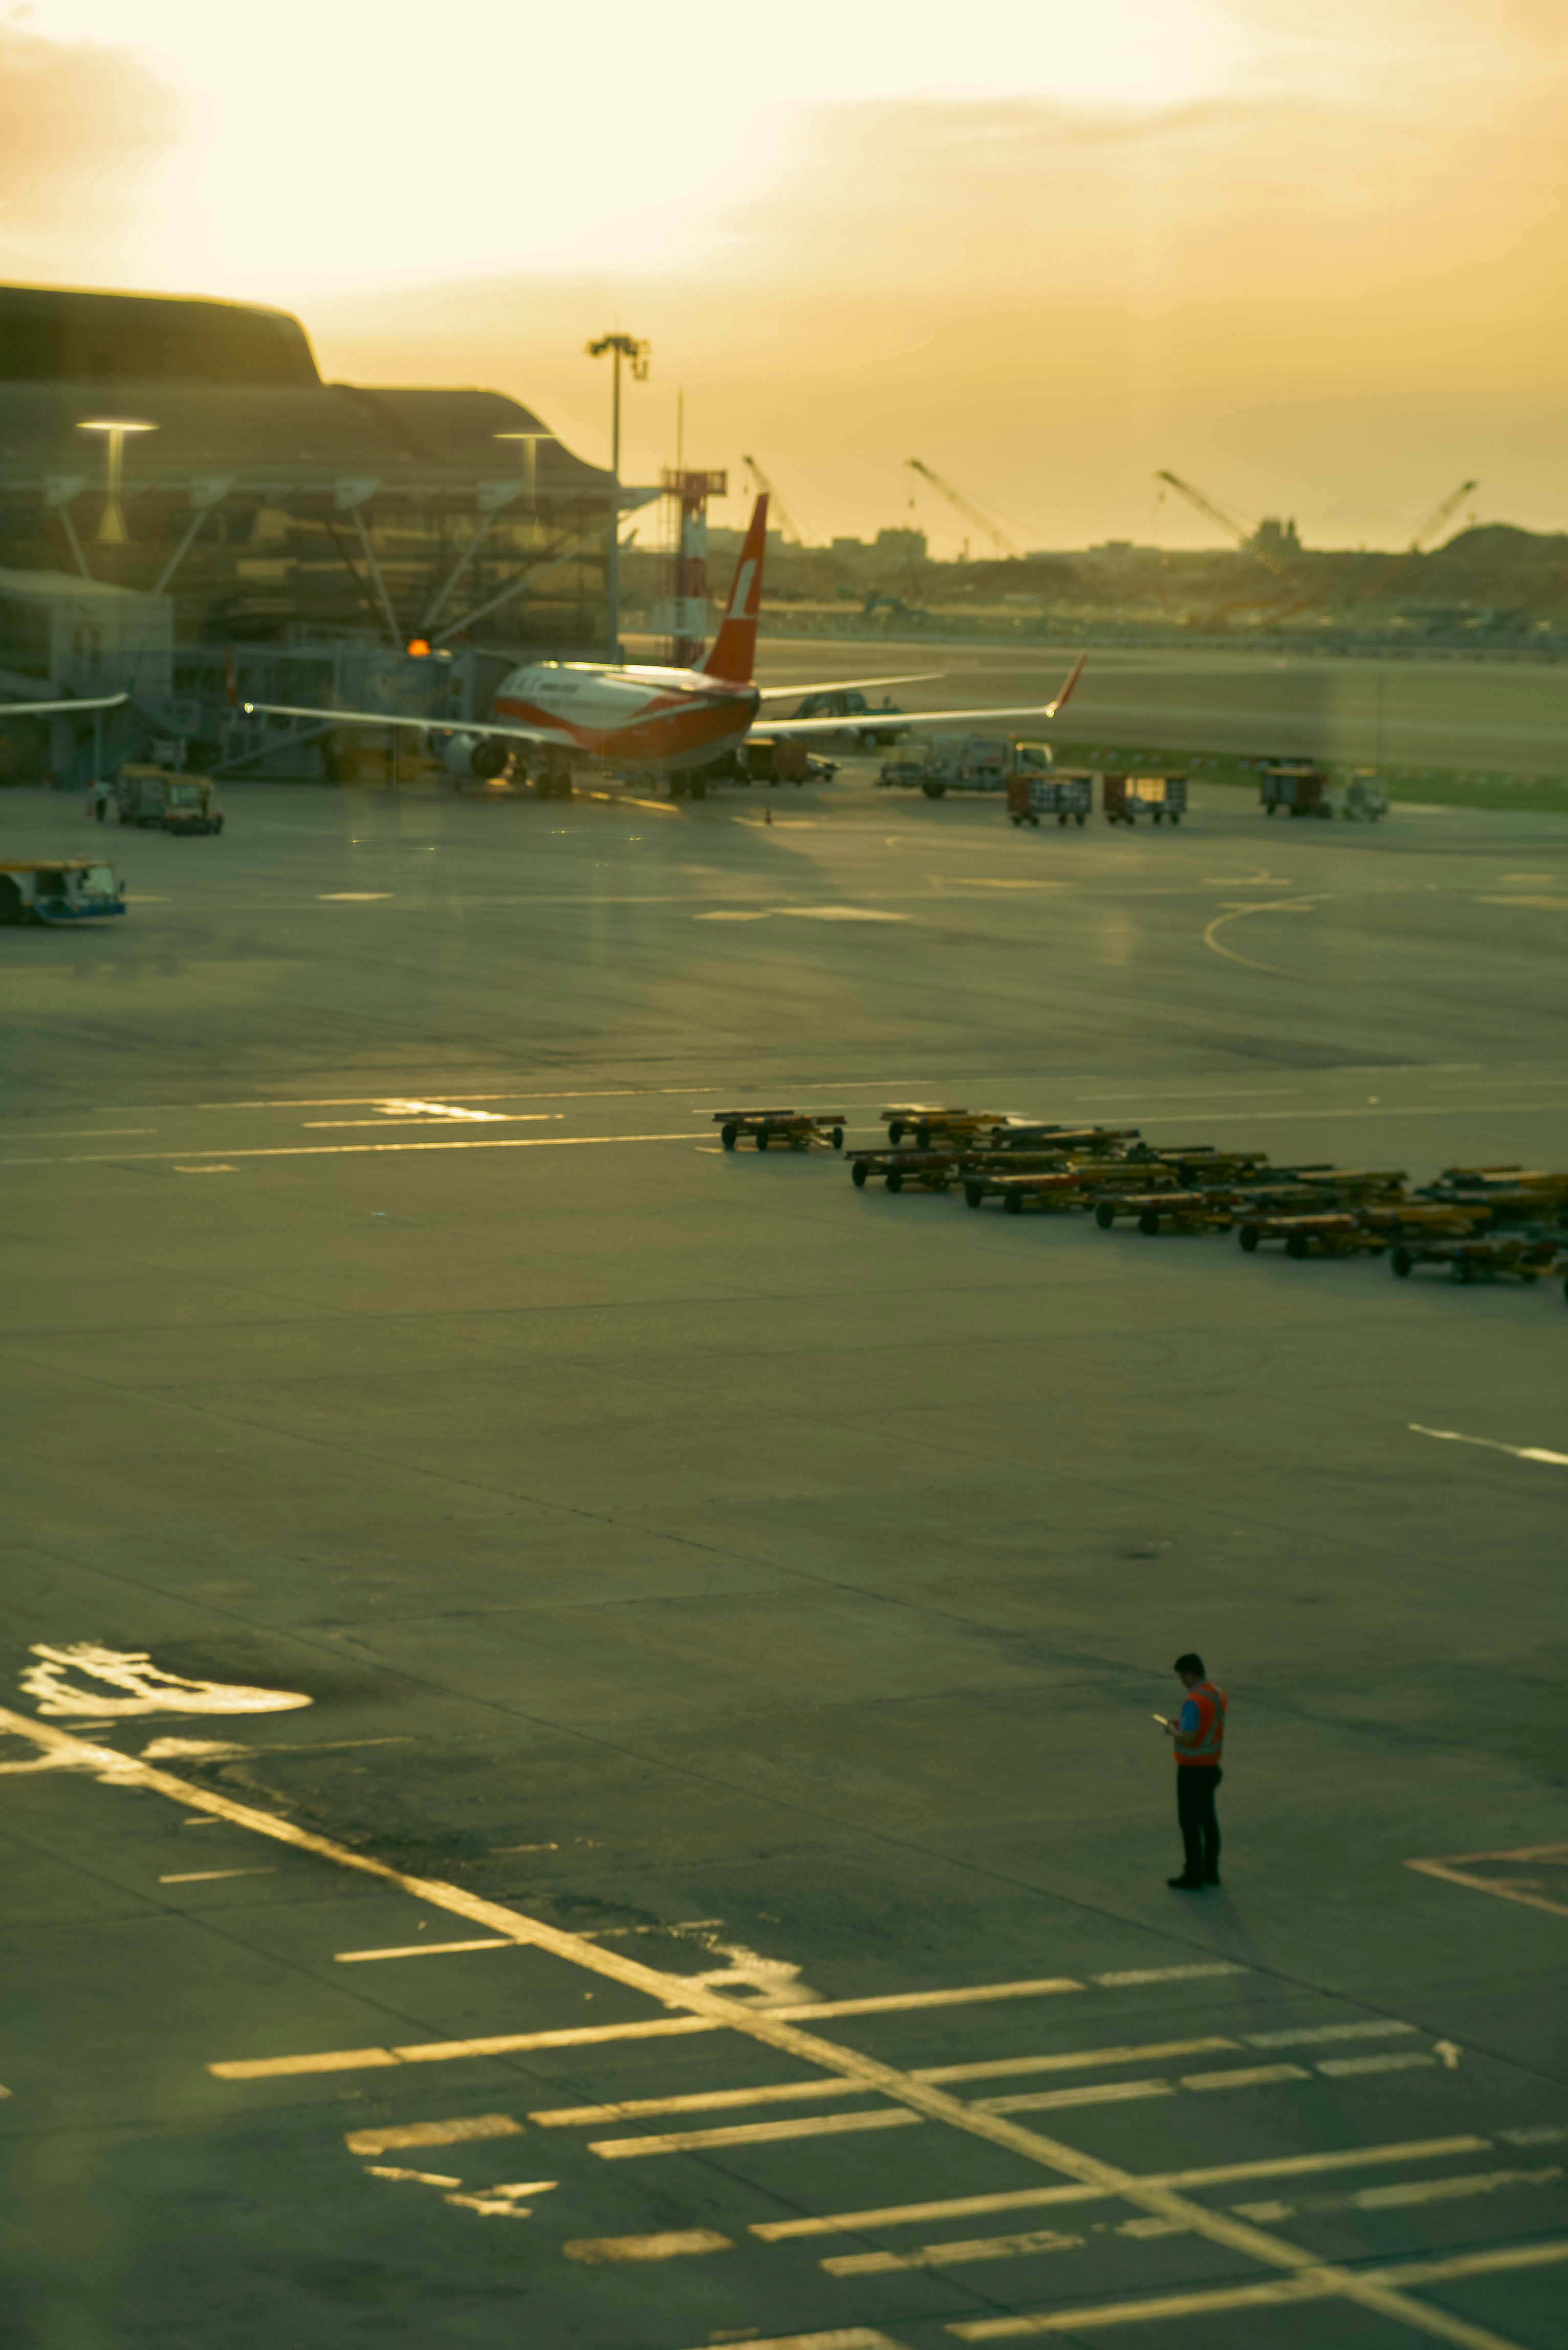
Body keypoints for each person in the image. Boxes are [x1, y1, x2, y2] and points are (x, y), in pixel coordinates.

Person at [1159, 1651, 1226, 1890]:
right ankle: (1211, 1870)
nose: (1182, 1682)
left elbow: (1188, 1738)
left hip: (1192, 1770)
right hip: (1211, 1766)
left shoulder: (1194, 1701)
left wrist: (1172, 1731)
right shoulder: (1216, 1694)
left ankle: (1192, 1874)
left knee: (1189, 1823)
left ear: (1191, 1674)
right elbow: (1207, 1724)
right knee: (1208, 1820)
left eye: (1182, 1677)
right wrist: (1183, 1723)